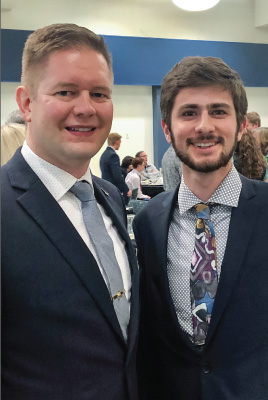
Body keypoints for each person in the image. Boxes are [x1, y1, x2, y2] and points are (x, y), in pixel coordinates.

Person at [1, 23, 139, 400]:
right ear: (26, 103)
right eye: (66, 92)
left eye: (99, 93)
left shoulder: (109, 196)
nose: (86, 108)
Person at [133, 56, 268, 400]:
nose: (204, 126)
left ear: (240, 126)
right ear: (167, 128)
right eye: (189, 112)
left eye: (219, 111)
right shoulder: (150, 221)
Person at [100, 132, 132, 203]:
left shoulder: (104, 154)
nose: (120, 145)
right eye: (120, 142)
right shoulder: (113, 156)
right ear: (117, 142)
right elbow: (117, 175)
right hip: (113, 188)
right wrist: (125, 189)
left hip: (106, 186)